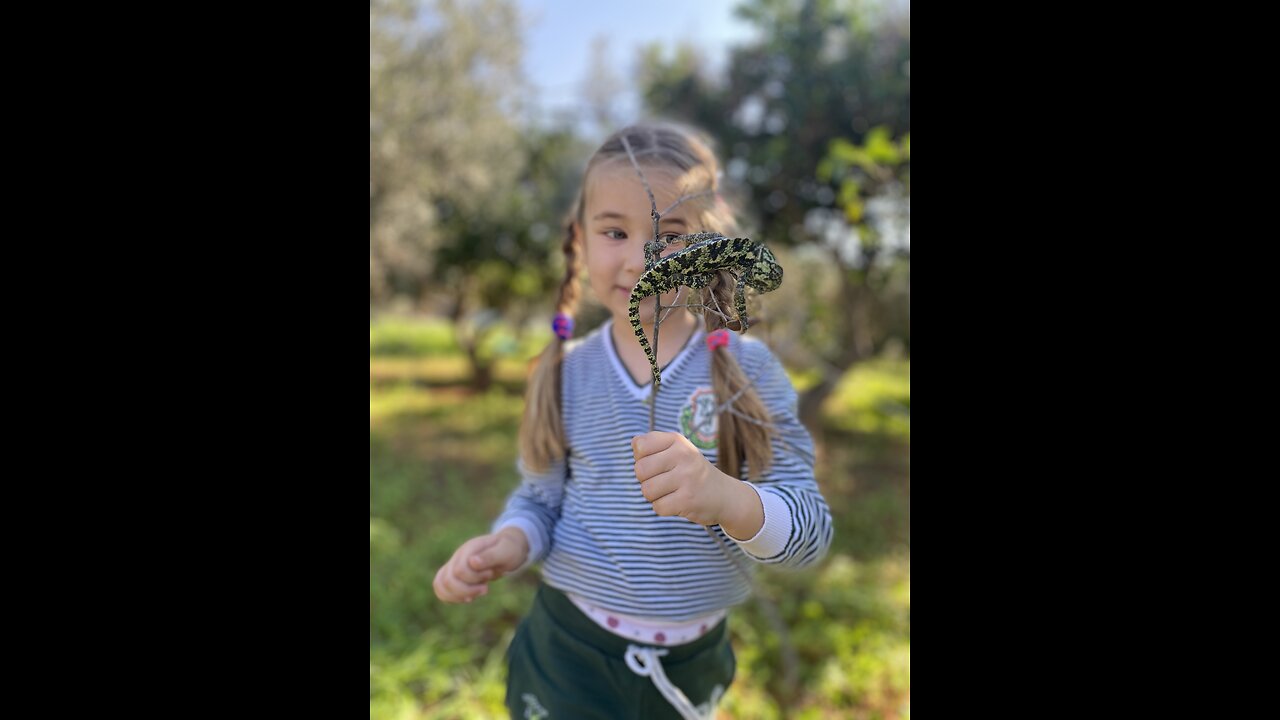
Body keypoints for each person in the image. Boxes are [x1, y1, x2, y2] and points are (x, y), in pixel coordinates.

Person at [432, 122, 832, 719]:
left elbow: (810, 533)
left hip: (690, 668)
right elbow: (542, 499)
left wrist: (727, 499)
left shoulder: (747, 372)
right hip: (569, 652)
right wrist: (511, 541)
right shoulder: (565, 373)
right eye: (615, 231)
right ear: (579, 242)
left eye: (670, 235)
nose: (642, 259)